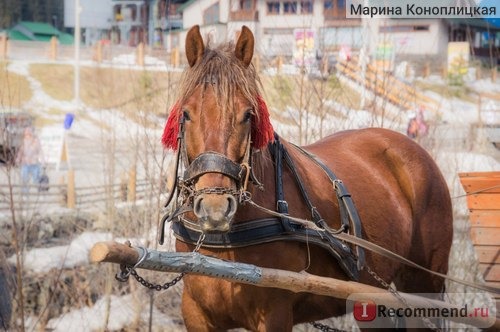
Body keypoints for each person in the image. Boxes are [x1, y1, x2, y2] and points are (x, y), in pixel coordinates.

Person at [15, 127, 44, 194]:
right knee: (24, 178)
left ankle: (40, 192)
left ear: (31, 133)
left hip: (35, 164)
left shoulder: (36, 141)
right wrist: (18, 159)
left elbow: (40, 151)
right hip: (25, 163)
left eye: (29, 133)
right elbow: (20, 152)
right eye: (26, 133)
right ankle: (25, 193)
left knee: (36, 179)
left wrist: (43, 161)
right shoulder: (23, 141)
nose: (27, 135)